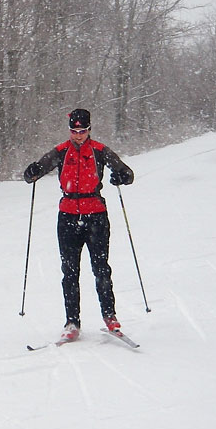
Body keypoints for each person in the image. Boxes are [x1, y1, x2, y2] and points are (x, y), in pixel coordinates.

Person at [23, 109, 134, 343]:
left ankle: (109, 316)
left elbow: (127, 173)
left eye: (82, 131)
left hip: (96, 216)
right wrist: (32, 172)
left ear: (89, 130)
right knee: (70, 272)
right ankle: (72, 322)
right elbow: (36, 171)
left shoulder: (100, 151)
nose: (78, 135)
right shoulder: (61, 151)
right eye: (74, 131)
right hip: (68, 218)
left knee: (101, 268)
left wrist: (121, 177)